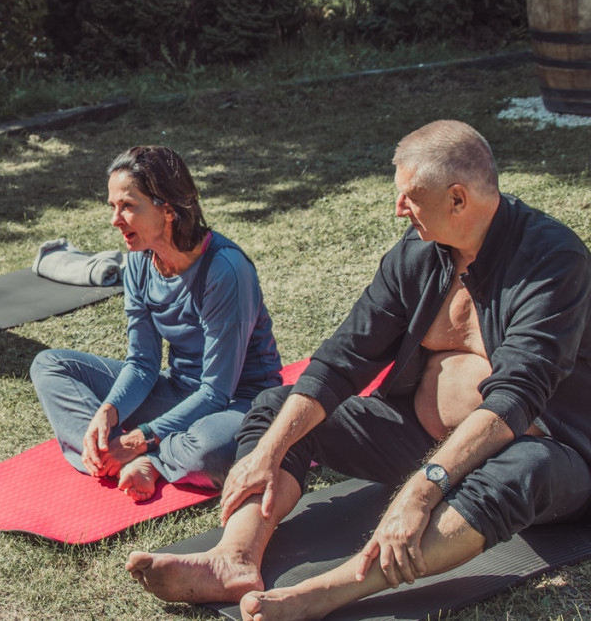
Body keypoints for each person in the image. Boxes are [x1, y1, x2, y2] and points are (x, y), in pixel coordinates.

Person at [125, 120, 591, 620]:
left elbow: (515, 398)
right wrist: (269, 450)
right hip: (418, 440)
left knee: (525, 468)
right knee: (279, 411)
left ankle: (333, 589)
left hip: (549, 455)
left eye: (410, 196)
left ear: (458, 199)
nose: (398, 209)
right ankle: (233, 557)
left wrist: (423, 487)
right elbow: (341, 359)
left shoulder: (550, 260)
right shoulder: (416, 255)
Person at [31, 146, 282, 501]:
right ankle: (110, 453)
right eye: (113, 207)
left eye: (128, 206)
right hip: (179, 392)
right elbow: (143, 362)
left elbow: (217, 391)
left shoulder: (226, 270)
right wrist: (108, 410)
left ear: (167, 209)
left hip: (240, 403)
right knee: (50, 365)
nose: (115, 219)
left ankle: (150, 460)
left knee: (211, 452)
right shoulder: (138, 263)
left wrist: (140, 439)